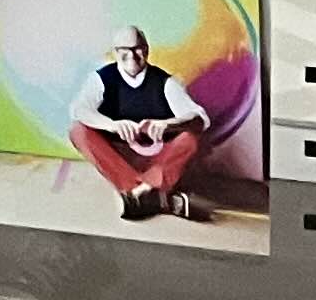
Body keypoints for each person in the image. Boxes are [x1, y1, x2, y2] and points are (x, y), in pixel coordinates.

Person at [67, 24, 217, 222]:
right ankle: (151, 194)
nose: (132, 55)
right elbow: (79, 110)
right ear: (115, 52)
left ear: (146, 50)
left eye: (137, 48)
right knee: (78, 131)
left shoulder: (165, 82)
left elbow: (200, 119)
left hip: (157, 159)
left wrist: (168, 124)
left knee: (189, 139)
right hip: (119, 158)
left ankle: (139, 196)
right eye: (125, 49)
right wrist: (112, 125)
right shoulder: (102, 78)